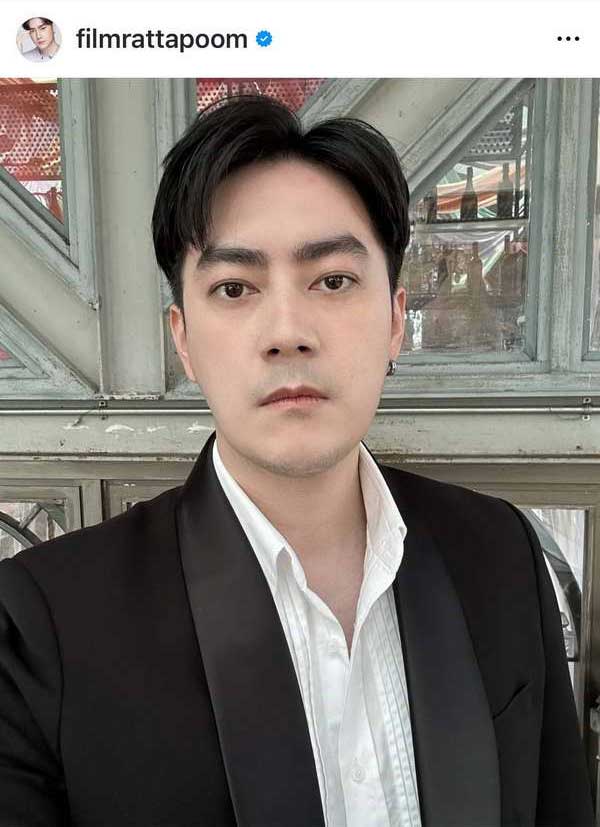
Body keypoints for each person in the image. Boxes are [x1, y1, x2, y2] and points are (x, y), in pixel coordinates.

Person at [0, 95, 593, 827]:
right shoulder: (47, 626)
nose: (287, 331)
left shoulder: (499, 553)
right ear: (183, 341)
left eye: (333, 280)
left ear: (394, 319)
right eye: (234, 288)